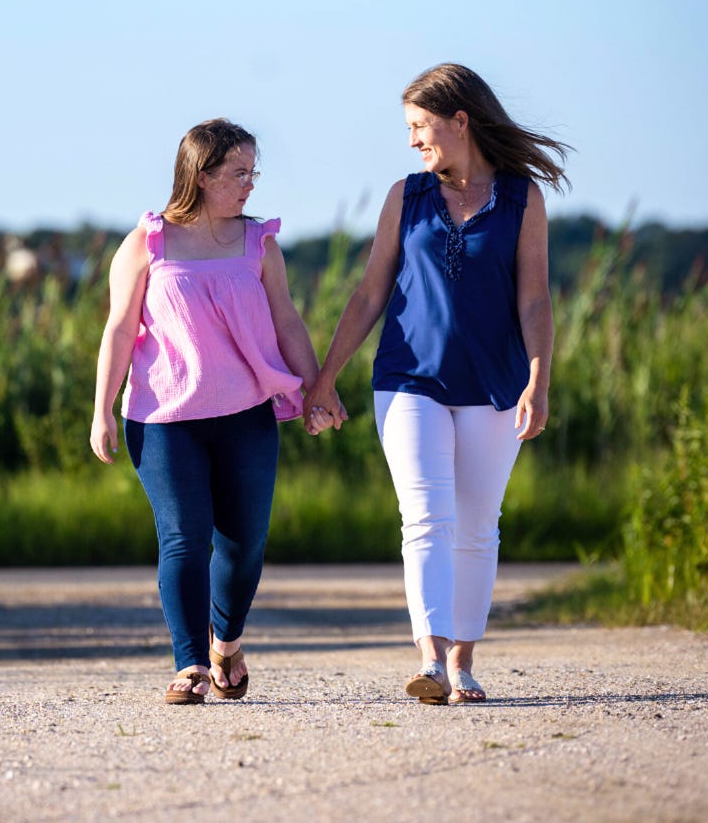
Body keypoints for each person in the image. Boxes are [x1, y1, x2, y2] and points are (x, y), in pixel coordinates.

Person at [305, 63, 571, 705]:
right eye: (408, 128)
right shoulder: (408, 195)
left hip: (496, 384)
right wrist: (325, 377)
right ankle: (428, 657)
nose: (412, 139)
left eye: (420, 125)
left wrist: (539, 379)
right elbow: (370, 291)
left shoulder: (522, 198)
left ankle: (462, 664)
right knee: (426, 517)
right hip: (408, 379)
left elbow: (534, 299)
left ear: (461, 120)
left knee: (478, 526)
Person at [90, 118, 330, 705]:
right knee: (184, 537)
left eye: (253, 171)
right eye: (237, 172)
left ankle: (226, 641)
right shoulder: (147, 241)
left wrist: (319, 388)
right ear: (201, 174)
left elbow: (287, 321)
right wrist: (100, 410)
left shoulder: (259, 243)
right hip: (163, 416)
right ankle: (190, 665)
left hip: (245, 414)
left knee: (244, 543)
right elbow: (119, 328)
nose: (250, 183)